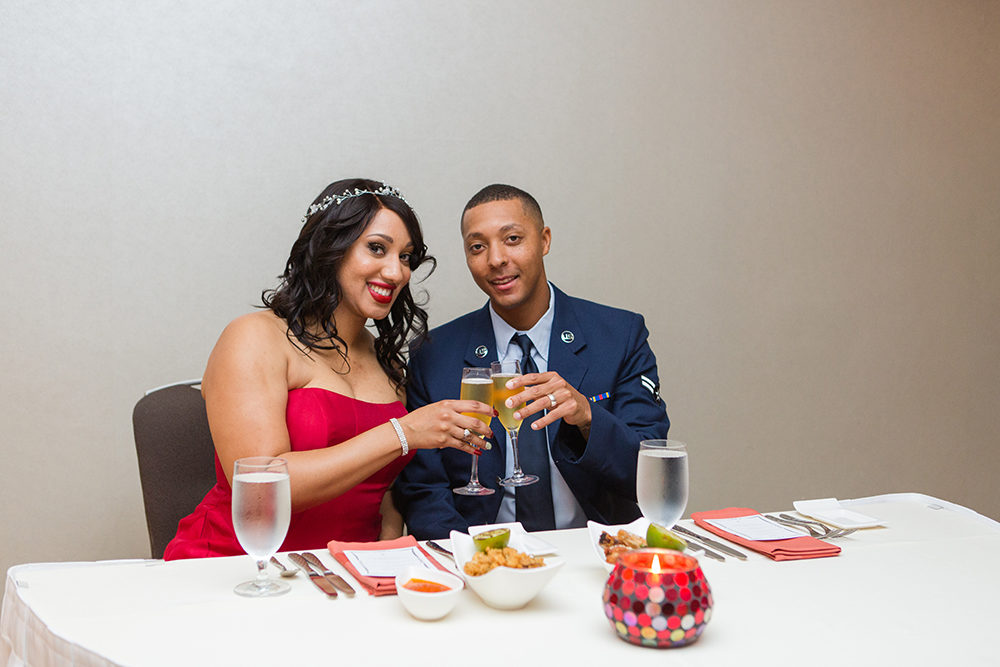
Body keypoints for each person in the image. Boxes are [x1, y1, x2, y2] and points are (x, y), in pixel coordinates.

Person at [164, 178, 493, 560]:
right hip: (240, 569)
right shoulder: (254, 337)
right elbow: (262, 489)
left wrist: (383, 567)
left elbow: (387, 497)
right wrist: (403, 432)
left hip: (345, 580)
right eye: (377, 248)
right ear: (330, 249)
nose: (396, 271)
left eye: (405, 257)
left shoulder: (387, 362)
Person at [395, 184, 670, 539]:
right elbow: (422, 491)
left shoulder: (619, 336)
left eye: (512, 239)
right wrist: (466, 562)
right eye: (478, 247)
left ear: (544, 240)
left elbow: (651, 476)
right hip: (484, 563)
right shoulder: (433, 355)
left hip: (595, 554)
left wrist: (587, 417)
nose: (495, 259)